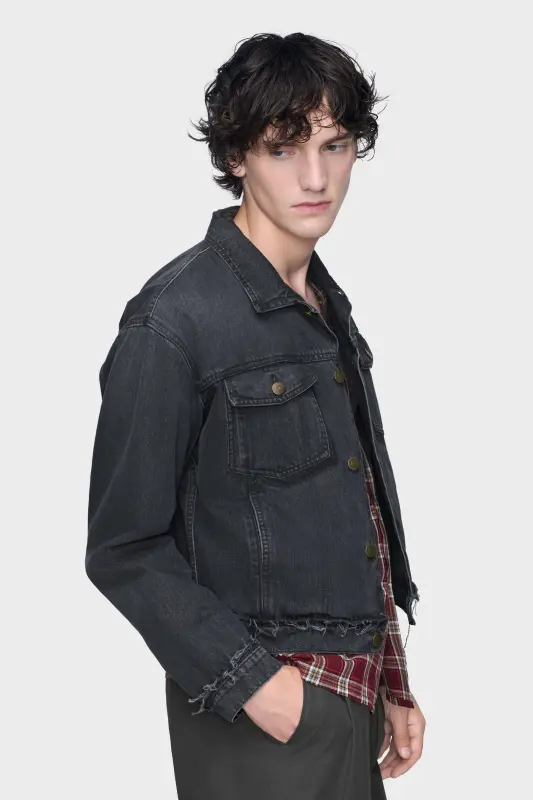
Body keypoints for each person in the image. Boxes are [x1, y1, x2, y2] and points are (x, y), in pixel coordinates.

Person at [86, 31, 426, 799]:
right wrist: (259, 688)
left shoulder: (322, 305)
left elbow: (353, 509)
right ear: (236, 154)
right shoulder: (172, 323)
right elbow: (123, 547)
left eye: (334, 146)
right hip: (261, 712)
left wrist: (390, 678)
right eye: (283, 149)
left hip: (351, 698)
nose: (316, 178)